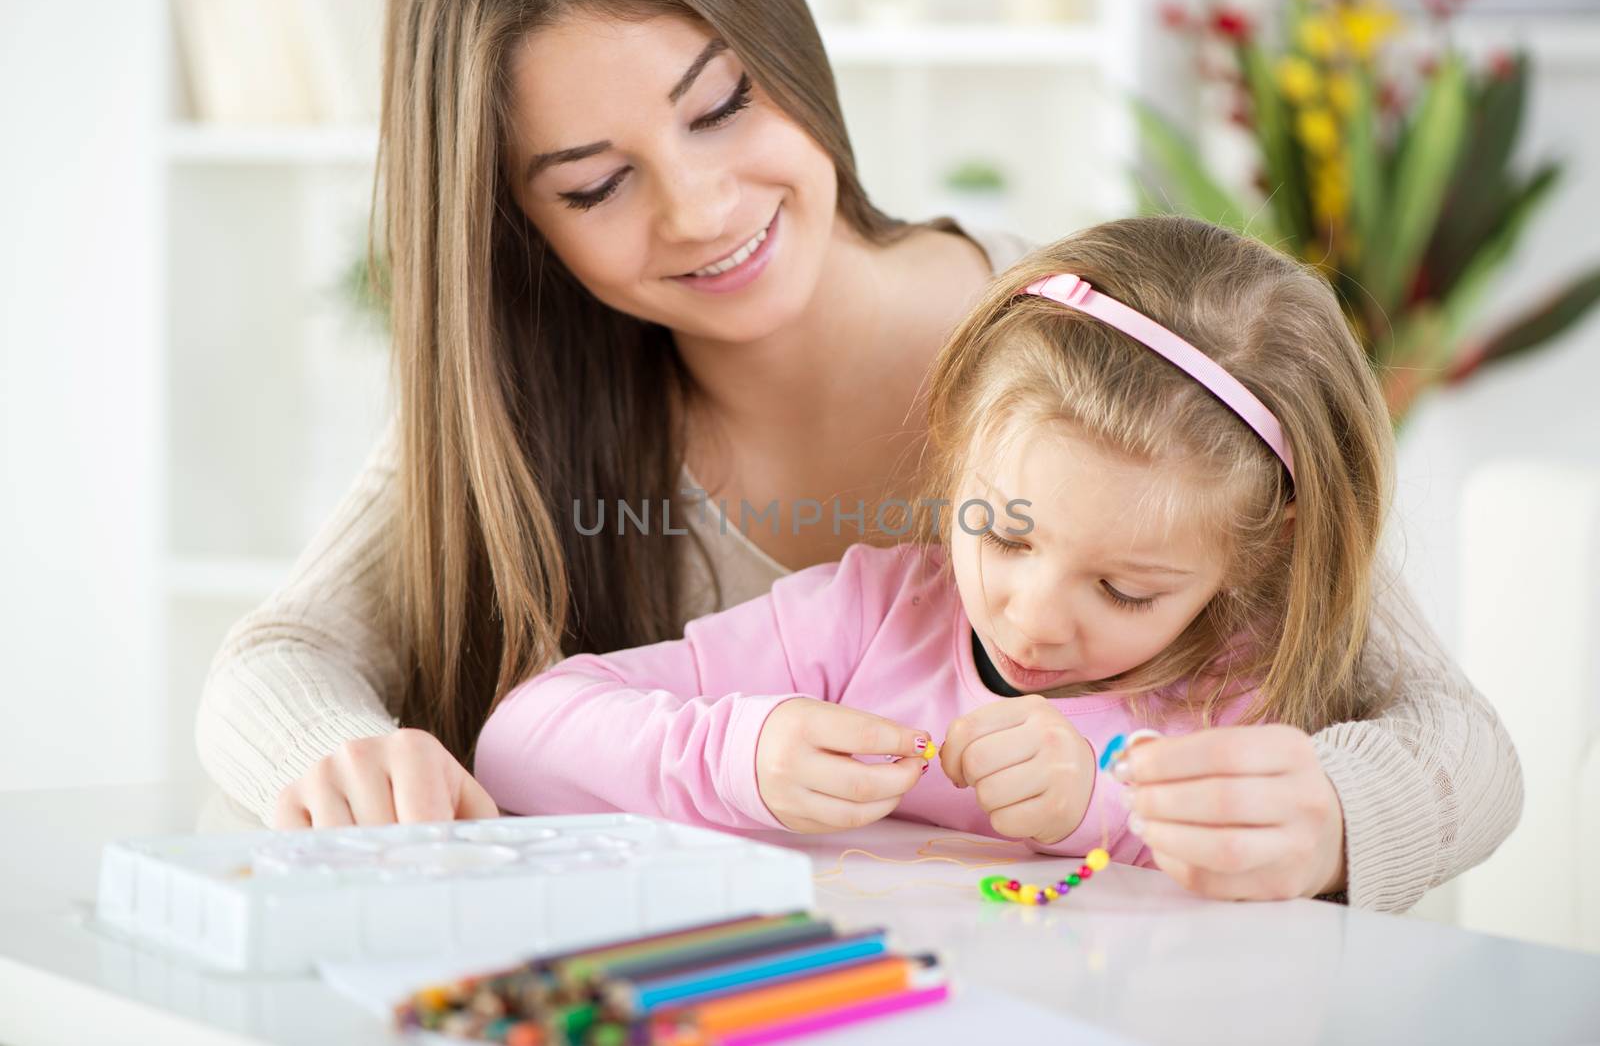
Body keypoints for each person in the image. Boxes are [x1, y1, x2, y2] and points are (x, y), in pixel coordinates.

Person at [196, 0, 1520, 912]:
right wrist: (340, 761)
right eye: (598, 184)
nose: (704, 206)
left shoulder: (1106, 366)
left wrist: (1333, 815)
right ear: (517, 226)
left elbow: (1449, 734)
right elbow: (283, 661)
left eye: (721, 105)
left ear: (787, 48)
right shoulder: (519, 424)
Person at [476, 216, 1399, 895]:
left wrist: (1098, 810)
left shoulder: (1243, 695)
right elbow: (517, 740)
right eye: (1002, 532)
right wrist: (736, 756)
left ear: (1254, 557)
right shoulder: (868, 617)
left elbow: (1262, 911)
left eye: (1125, 591)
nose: (1031, 618)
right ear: (954, 452)